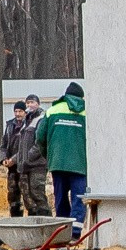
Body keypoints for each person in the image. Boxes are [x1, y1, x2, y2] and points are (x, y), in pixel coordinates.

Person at [41, 80, 88, 221]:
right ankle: (76, 232)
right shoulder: (87, 112)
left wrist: (49, 156)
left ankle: (62, 229)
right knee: (79, 198)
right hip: (80, 164)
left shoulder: (52, 111)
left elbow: (39, 137)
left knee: (60, 198)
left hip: (58, 163)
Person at [4, 95, 49, 217]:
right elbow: (21, 146)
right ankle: (34, 224)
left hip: (37, 165)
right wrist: (13, 159)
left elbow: (39, 144)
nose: (30, 105)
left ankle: (45, 222)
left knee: (37, 194)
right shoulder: (26, 121)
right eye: (28, 103)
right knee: (28, 196)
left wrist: (26, 157)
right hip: (25, 165)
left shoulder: (41, 119)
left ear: (38, 104)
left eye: (32, 102)